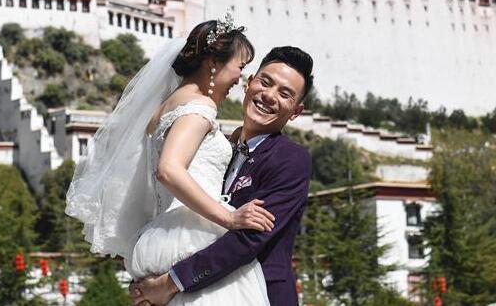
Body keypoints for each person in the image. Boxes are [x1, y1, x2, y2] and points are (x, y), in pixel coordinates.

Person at [66, 16, 285, 304]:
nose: (239, 78)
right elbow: (168, 170)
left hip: (164, 233)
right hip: (196, 234)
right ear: (214, 63)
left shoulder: (164, 108)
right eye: (240, 67)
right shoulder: (199, 107)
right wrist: (229, 218)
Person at [130, 45, 315, 306]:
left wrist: (169, 283)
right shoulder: (219, 148)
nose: (269, 96)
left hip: (259, 294)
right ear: (249, 83)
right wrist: (149, 279)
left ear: (296, 111)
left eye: (285, 94)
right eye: (265, 82)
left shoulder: (290, 159)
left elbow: (248, 239)